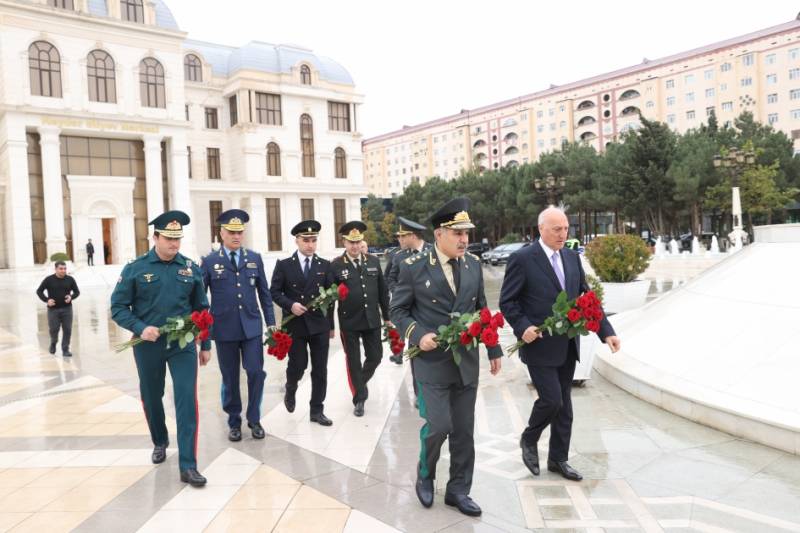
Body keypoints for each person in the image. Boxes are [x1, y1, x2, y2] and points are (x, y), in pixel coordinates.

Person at [390, 197, 502, 517]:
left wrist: (493, 348)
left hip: (466, 361)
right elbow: (398, 310)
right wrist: (417, 333)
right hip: (431, 361)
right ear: (439, 234)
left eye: (467, 232)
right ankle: (425, 474)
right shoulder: (413, 268)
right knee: (439, 425)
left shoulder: (472, 265)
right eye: (457, 233)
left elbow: (481, 309)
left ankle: (458, 490)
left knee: (464, 431)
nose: (465, 239)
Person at [499, 207, 621, 482]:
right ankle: (529, 438)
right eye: (557, 229)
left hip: (567, 343)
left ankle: (558, 459)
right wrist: (523, 326)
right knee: (552, 400)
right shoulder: (522, 258)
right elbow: (508, 301)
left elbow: (586, 298)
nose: (563, 234)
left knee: (565, 407)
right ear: (541, 229)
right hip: (539, 344)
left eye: (566, 228)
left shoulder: (570, 257)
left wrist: (606, 331)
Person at [110, 210, 211, 487]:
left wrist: (206, 343)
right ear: (155, 237)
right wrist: (140, 327)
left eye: (177, 239)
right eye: (168, 239)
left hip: (183, 345)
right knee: (152, 397)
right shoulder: (136, 268)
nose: (174, 244)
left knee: (186, 399)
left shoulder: (190, 268)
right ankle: (160, 440)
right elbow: (117, 307)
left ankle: (188, 465)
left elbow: (202, 308)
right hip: (148, 345)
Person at [201, 209, 275, 442]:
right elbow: (201, 300)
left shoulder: (254, 258)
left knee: (255, 372)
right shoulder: (210, 261)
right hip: (224, 329)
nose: (236, 236)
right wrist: (203, 335)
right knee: (230, 377)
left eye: (240, 232)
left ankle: (254, 418)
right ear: (221, 233)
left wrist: (271, 322)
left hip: (252, 326)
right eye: (231, 232)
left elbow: (264, 293)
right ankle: (234, 420)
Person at [270, 220, 335, 426]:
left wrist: (331, 325)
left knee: (320, 369)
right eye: (306, 240)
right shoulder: (284, 265)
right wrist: (291, 305)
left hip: (319, 325)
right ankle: (291, 387)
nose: (310, 244)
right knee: (298, 364)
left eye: (313, 240)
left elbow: (330, 297)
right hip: (295, 325)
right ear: (297, 240)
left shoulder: (324, 265)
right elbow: (275, 292)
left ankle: (317, 410)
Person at [329, 221, 390, 417]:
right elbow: (330, 298)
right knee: (353, 361)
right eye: (350, 242)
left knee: (376, 357)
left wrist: (387, 317)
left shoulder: (372, 261)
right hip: (349, 322)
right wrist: (330, 325)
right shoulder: (336, 265)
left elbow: (382, 291)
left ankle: (359, 384)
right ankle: (360, 399)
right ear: (344, 242)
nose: (355, 246)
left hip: (372, 319)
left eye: (358, 242)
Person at [385, 217, 431, 366]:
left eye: (403, 236)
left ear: (412, 236)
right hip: (406, 305)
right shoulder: (399, 256)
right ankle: (401, 355)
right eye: (399, 236)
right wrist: (399, 294)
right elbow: (390, 278)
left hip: (428, 306)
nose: (400, 239)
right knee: (407, 331)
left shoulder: (433, 251)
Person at [36, 261, 80, 357]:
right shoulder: (49, 280)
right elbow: (39, 291)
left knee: (67, 329)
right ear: (55, 269)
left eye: (65, 268)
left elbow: (77, 292)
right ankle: (53, 342)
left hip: (67, 309)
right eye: (61, 269)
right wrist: (47, 300)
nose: (63, 271)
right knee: (54, 329)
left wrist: (71, 297)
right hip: (53, 310)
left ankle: (65, 349)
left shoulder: (70, 279)